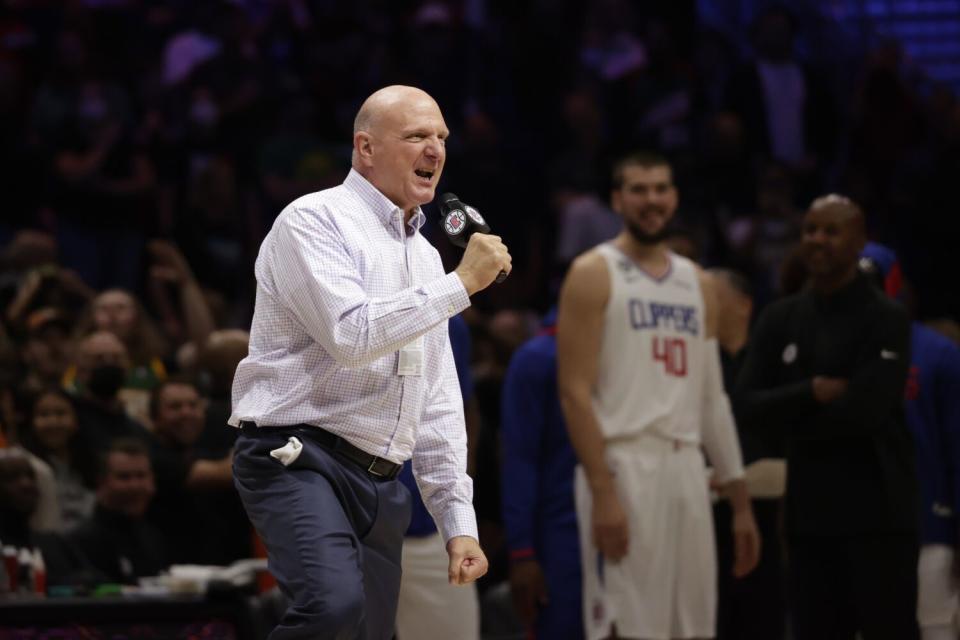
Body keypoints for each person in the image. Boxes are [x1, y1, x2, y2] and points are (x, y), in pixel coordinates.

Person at [229, 85, 511, 640]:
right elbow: (352, 335)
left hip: (383, 482)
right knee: (333, 609)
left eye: (441, 138)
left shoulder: (428, 257)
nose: (435, 150)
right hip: (298, 456)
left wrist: (458, 521)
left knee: (365, 633)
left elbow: (436, 399)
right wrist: (462, 285)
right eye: (416, 137)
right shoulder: (312, 221)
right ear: (365, 148)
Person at [557, 151, 760, 640]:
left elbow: (713, 398)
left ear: (675, 197)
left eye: (661, 189)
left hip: (688, 468)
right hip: (624, 467)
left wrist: (739, 500)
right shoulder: (592, 272)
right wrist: (603, 492)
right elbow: (574, 393)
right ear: (617, 199)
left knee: (692, 624)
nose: (652, 200)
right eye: (639, 190)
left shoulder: (699, 282)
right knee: (626, 624)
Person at [736, 195, 918, 640]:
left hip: (880, 517)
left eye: (831, 231)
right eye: (810, 230)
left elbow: (865, 412)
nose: (817, 240)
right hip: (808, 519)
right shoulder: (781, 317)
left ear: (858, 240)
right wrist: (811, 391)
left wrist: (787, 412)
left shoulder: (887, 317)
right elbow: (743, 406)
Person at [861, 243, 960, 640]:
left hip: (929, 525)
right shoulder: (828, 351)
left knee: (934, 627)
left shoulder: (939, 355)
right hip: (856, 528)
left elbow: (957, 447)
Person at [708, 268, 786, 640]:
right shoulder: (697, 363)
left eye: (712, 297)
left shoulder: (776, 363)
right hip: (705, 516)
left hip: (773, 519)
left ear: (743, 306)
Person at [395, 314, 480, 640]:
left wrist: (456, 504)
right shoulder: (320, 292)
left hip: (429, 522)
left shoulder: (445, 318)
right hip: (346, 522)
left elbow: (462, 411)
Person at [501, 307, 583, 639]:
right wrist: (522, 552)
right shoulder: (539, 357)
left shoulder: (628, 351)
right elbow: (519, 458)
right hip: (559, 535)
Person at [146, 378, 248, 565]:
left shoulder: (204, 450)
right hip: (172, 568)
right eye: (175, 407)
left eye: (193, 405)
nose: (187, 413)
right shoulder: (151, 456)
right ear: (155, 417)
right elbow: (227, 472)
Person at [68, 437, 167, 585]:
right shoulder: (81, 543)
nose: (135, 486)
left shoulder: (152, 537)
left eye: (141, 476)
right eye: (124, 477)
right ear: (102, 483)